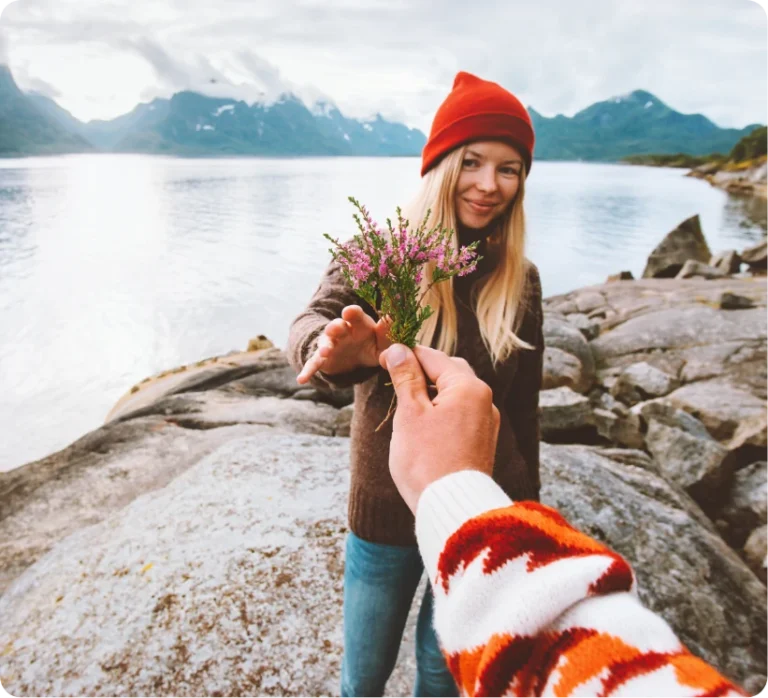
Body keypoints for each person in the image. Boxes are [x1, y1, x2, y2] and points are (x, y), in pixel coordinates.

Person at [288, 71, 543, 697]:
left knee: (443, 675)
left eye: (509, 169)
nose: (489, 185)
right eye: (474, 161)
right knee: (364, 676)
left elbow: (523, 410)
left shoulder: (522, 280)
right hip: (386, 514)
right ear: (441, 164)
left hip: (481, 514)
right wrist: (331, 351)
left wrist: (527, 511)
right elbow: (309, 323)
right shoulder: (381, 254)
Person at [378, 342, 750, 698]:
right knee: (370, 663)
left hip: (472, 506)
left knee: (435, 663)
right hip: (392, 521)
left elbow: (525, 408)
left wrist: (462, 491)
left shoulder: (520, 286)